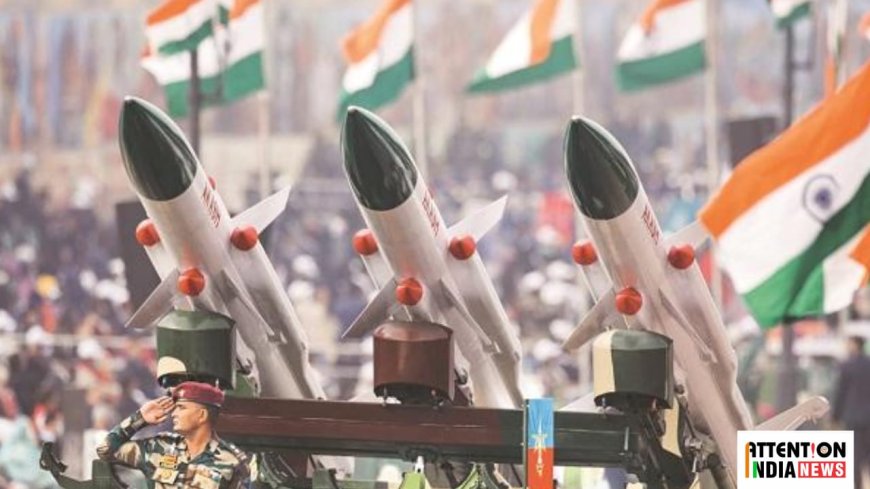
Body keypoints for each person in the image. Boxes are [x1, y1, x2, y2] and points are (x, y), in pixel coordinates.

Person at [96, 381, 250, 488]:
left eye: (181, 408)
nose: (174, 413)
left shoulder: (232, 462)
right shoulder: (159, 447)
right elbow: (105, 450)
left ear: (202, 415)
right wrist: (139, 419)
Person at [833, 336, 870, 489]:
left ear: (855, 344)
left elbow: (841, 393)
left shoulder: (847, 366)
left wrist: (835, 416)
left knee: (854, 455)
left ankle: (858, 485)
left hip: (853, 417)